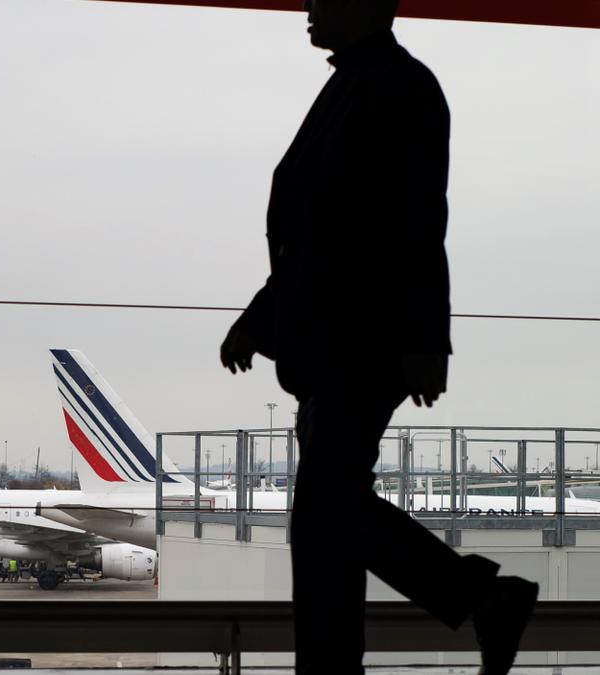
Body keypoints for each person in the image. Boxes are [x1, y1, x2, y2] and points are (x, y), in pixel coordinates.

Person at [219, 1, 538, 673]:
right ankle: (479, 599)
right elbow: (316, 236)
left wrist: (425, 338)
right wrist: (260, 316)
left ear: (363, 4)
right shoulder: (355, 84)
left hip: (361, 343)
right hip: (333, 343)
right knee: (326, 520)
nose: (308, 7)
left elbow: (418, 222)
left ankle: (477, 598)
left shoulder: (398, 86)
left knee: (324, 515)